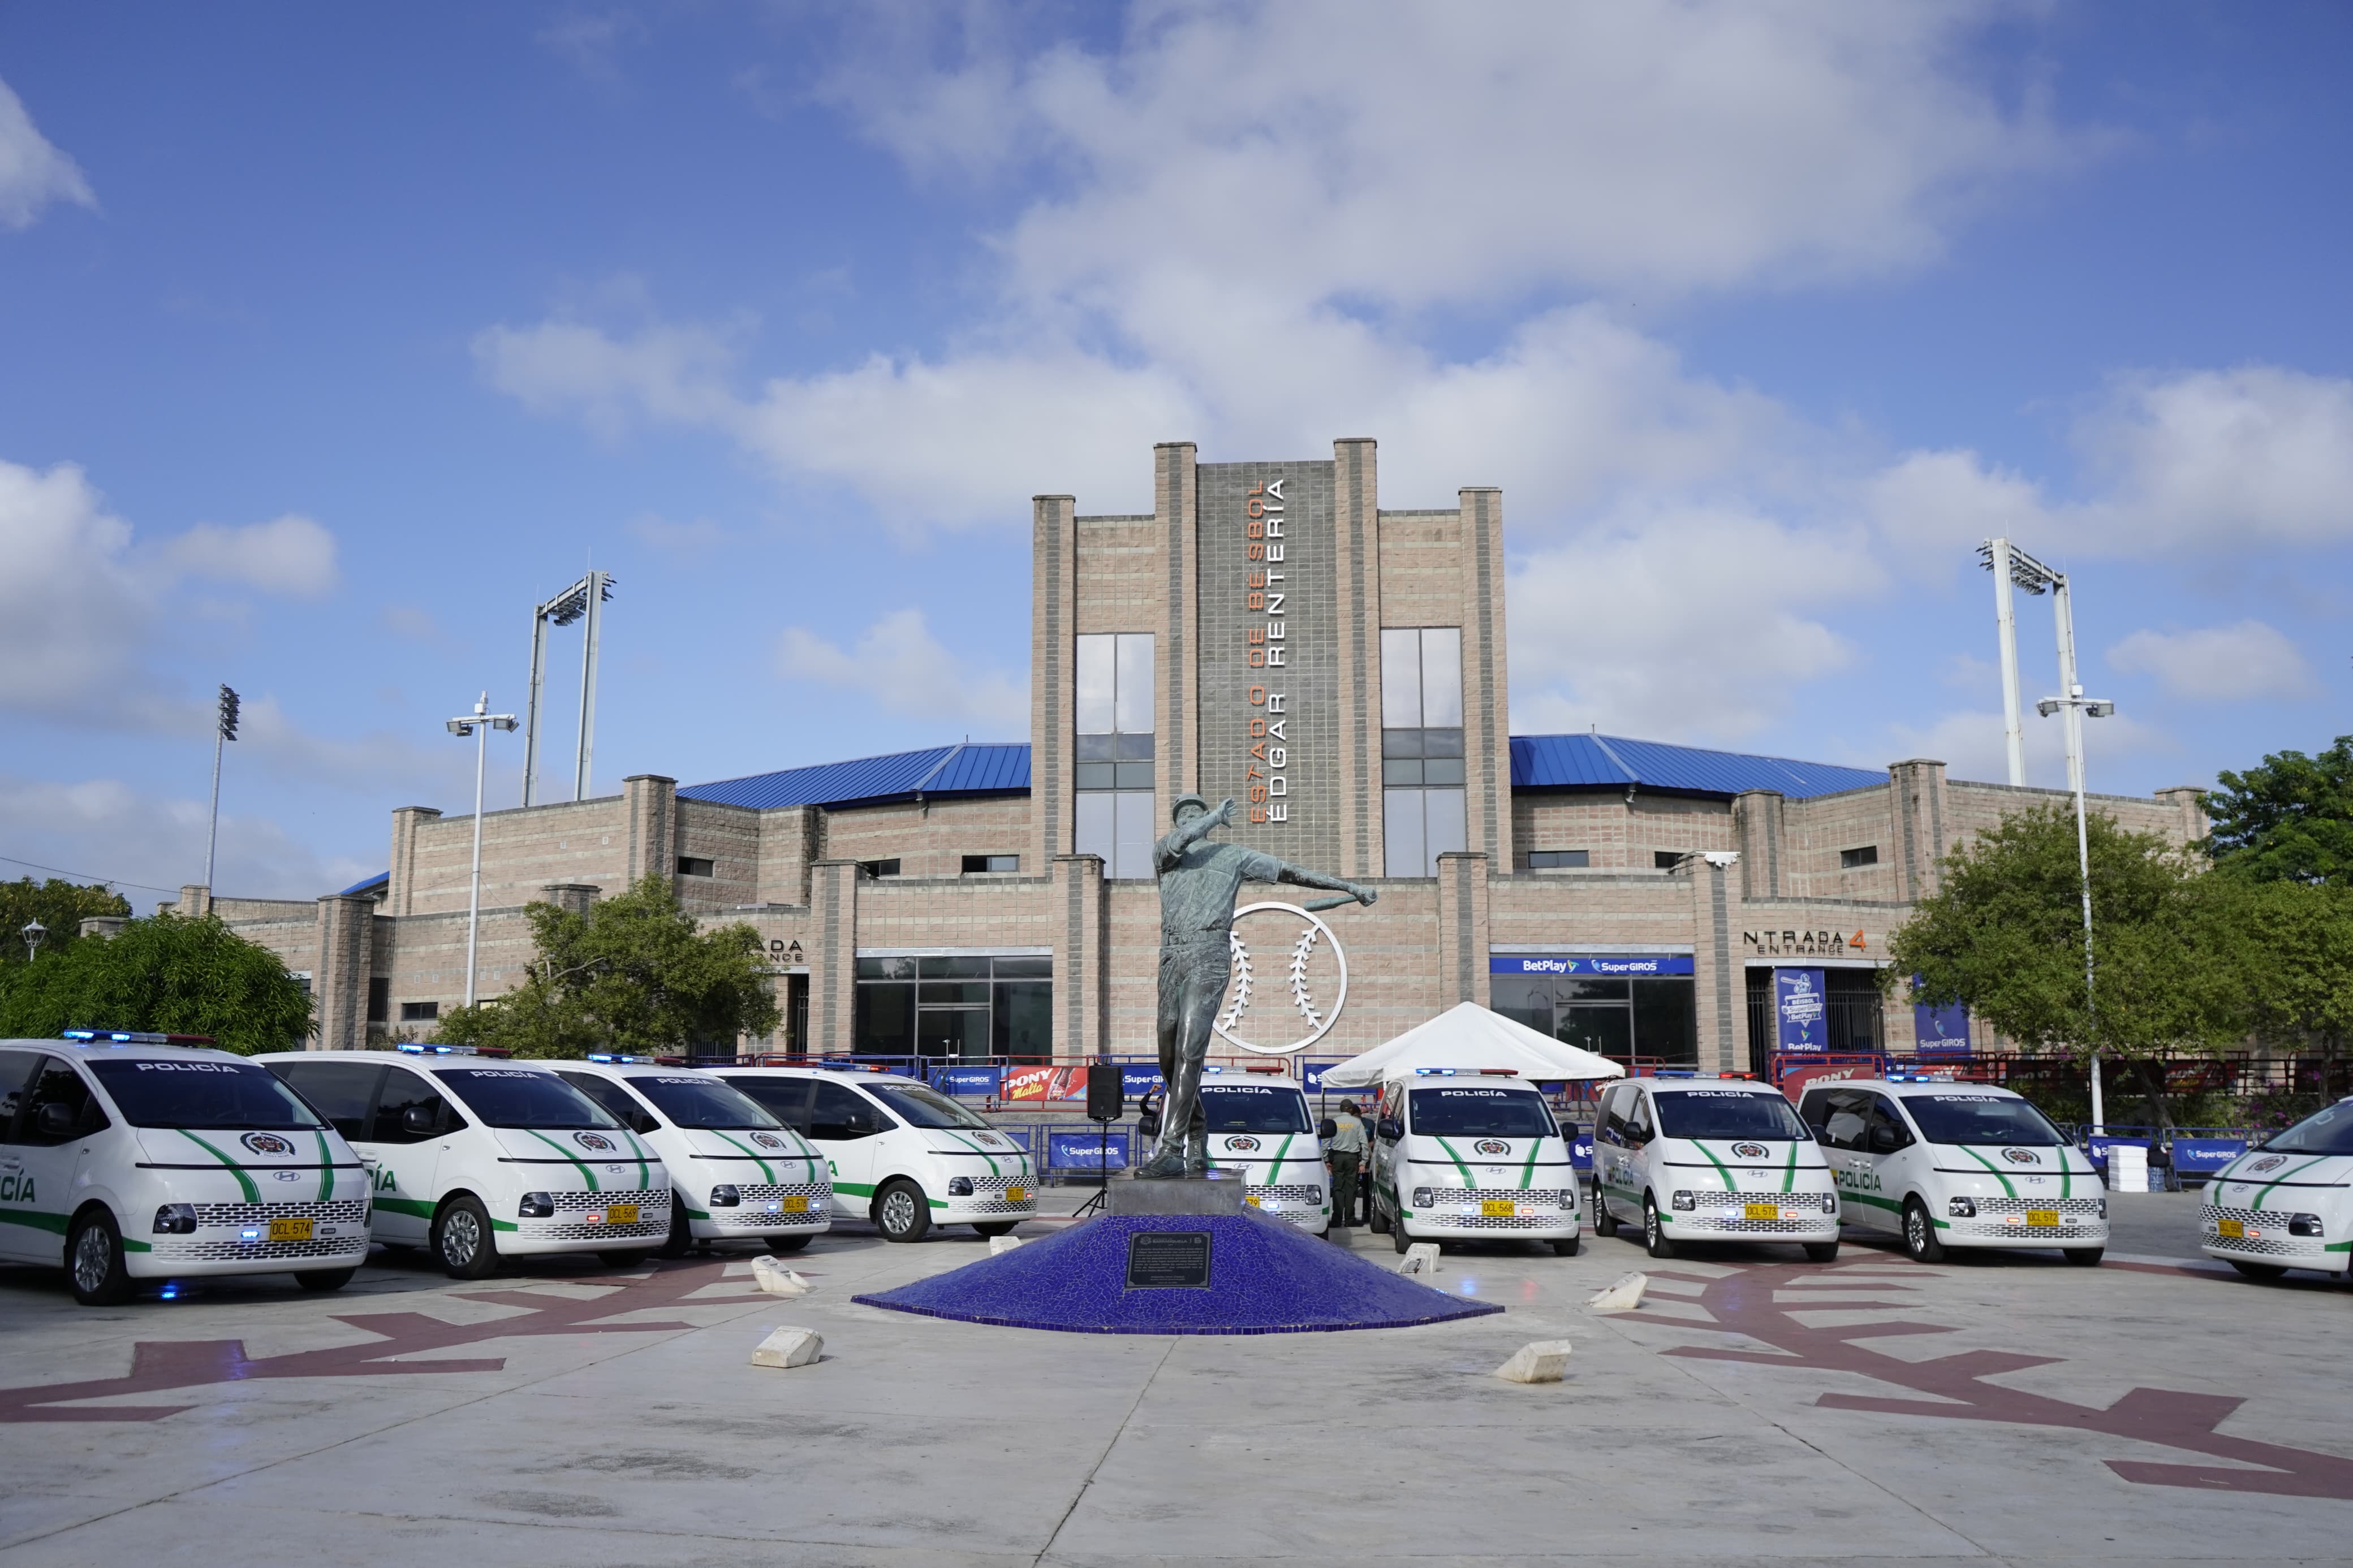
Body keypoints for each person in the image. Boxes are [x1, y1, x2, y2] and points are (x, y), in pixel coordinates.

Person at [1139, 794, 1374, 1178]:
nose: (1191, 819)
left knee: (1189, 1049)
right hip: (1171, 955)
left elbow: (1291, 872)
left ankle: (1173, 1145)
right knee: (1168, 1057)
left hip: (1209, 952)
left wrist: (1349, 886)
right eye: (1185, 815)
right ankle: (1197, 1129)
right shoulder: (1166, 856)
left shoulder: (1232, 856)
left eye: (1197, 812)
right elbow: (1178, 843)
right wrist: (1214, 817)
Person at [1326, 1098, 1368, 1229]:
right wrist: (1363, 1162)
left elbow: (1326, 1143)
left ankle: (1337, 1219)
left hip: (1337, 1158)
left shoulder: (1334, 1122)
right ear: (1350, 1110)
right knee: (1351, 1188)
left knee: (1338, 1188)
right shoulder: (1357, 1123)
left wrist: (1327, 1160)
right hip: (1352, 1159)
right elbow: (1364, 1143)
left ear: (1341, 1108)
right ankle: (1350, 1219)